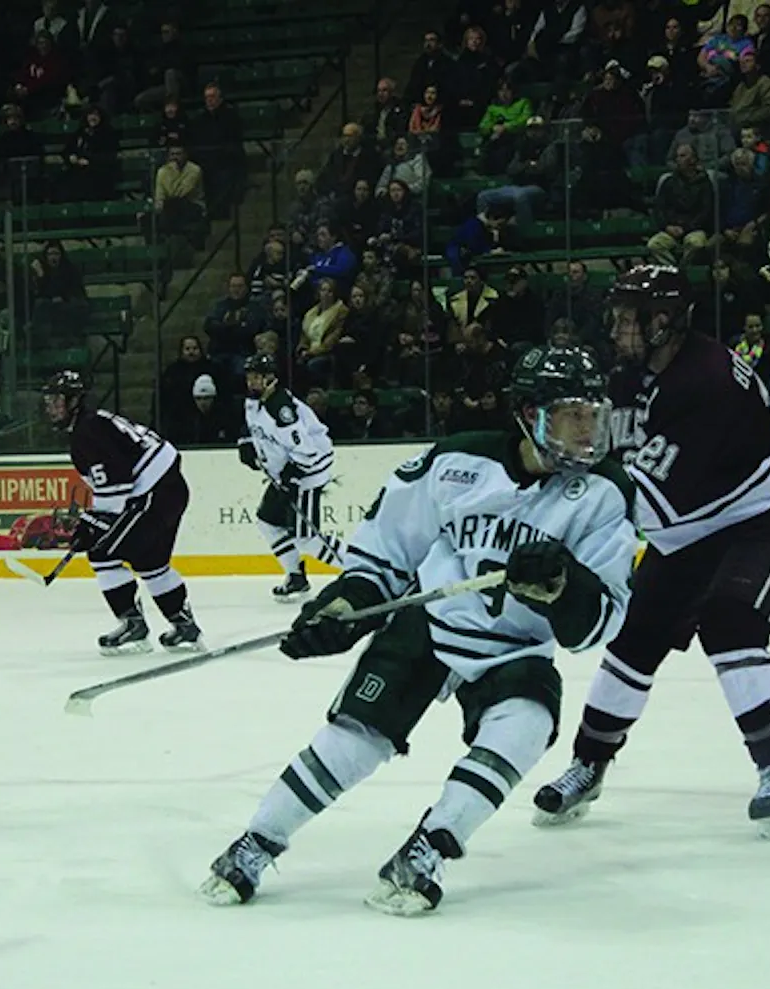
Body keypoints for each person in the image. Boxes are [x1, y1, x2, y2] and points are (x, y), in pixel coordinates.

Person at [202, 346, 638, 914]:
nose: (587, 432)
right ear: (529, 413)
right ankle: (258, 840)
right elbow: (385, 553)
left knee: (528, 722)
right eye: (571, 415)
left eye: (593, 415)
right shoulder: (456, 463)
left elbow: (600, 621)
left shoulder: (606, 493)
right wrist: (344, 606)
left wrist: (563, 588)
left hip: (512, 648)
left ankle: (429, 847)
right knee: (355, 734)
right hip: (429, 625)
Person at [535, 265, 770, 840]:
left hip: (764, 514)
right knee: (634, 636)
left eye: (626, 320)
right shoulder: (634, 373)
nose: (615, 330)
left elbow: (650, 503)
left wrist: (567, 537)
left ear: (663, 323)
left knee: (730, 621)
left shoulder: (705, 383)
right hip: (693, 522)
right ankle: (589, 764)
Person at [41, 370, 202, 654]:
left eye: (57, 400)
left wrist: (93, 525)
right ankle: (184, 626)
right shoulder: (94, 423)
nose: (51, 407)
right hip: (166, 488)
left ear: (75, 400)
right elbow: (116, 483)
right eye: (49, 400)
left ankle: (133, 625)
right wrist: (94, 520)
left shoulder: (87, 432)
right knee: (151, 562)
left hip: (154, 493)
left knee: (102, 551)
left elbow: (118, 483)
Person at [237, 353, 340, 601]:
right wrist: (246, 442)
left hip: (307, 472)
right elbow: (251, 424)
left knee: (307, 538)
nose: (252, 382)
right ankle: (296, 576)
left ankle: (363, 571)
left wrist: (291, 478)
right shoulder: (254, 400)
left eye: (257, 377)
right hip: (285, 474)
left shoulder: (283, 410)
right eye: (249, 377)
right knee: (267, 521)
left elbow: (307, 452)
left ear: (271, 378)